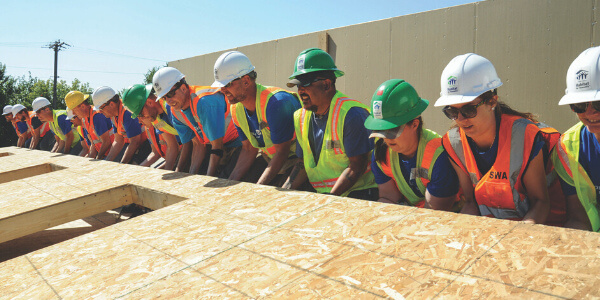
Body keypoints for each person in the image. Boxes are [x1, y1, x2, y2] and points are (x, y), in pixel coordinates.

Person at [436, 53, 566, 225]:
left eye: (468, 110)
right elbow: (470, 203)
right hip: (493, 231)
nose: (460, 118)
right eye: (452, 112)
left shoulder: (523, 136)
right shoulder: (453, 144)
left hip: (542, 229)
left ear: (492, 102)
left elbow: (540, 202)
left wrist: (517, 238)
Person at [284, 48, 377, 199]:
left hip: (359, 195)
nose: (300, 91)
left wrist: (328, 199)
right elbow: (301, 164)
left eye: (305, 84)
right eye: (298, 86)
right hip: (327, 196)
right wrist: (285, 192)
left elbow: (356, 166)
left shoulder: (352, 114)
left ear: (327, 85)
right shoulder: (300, 117)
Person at [364, 79, 461, 210]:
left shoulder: (438, 155)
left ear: (414, 124)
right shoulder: (381, 153)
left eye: (392, 130)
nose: (385, 138)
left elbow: (435, 213)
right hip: (410, 217)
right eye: (380, 130)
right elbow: (388, 198)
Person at [212, 51, 302, 185]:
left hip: (296, 160)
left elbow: (282, 153)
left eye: (227, 85)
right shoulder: (236, 108)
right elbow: (248, 149)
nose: (223, 90)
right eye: (221, 86)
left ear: (246, 81)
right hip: (272, 158)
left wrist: (258, 189)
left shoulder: (276, 103)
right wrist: (229, 183)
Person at [152, 67, 241, 176]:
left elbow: (217, 146)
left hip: (240, 143)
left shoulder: (204, 102)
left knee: (226, 181)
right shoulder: (175, 111)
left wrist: (208, 178)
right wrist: (192, 176)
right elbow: (197, 143)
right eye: (164, 97)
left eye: (170, 94)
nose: (169, 101)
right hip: (219, 145)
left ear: (183, 88)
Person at [552, 46, 600, 231]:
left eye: (598, 103)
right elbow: (578, 217)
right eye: (579, 105)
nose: (589, 112)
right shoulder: (567, 148)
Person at [122, 84, 183, 170]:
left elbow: (191, 142)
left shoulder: (171, 107)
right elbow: (172, 146)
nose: (139, 121)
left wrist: (178, 170)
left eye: (140, 114)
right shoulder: (155, 118)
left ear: (150, 102)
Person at [92, 86, 151, 164]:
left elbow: (135, 142)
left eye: (101, 108)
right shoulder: (114, 116)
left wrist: (122, 165)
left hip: (147, 142)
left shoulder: (127, 112)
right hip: (136, 143)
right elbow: (118, 141)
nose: (100, 112)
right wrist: (106, 161)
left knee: (133, 165)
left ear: (112, 104)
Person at [65, 90, 114, 159]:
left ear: (82, 106)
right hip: (106, 154)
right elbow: (93, 145)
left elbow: (106, 142)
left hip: (115, 153)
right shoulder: (84, 119)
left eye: (74, 110)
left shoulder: (97, 116)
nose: (73, 113)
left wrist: (98, 158)